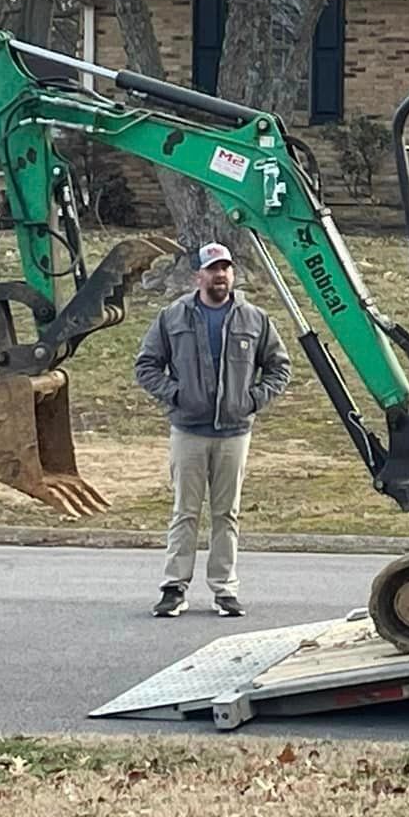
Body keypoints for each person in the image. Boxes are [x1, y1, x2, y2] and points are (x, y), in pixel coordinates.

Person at [133, 241, 290, 618]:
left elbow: (279, 368)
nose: (220, 275)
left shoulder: (254, 319)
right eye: (213, 268)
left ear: (232, 274)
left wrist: (250, 400)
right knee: (185, 512)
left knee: (227, 514)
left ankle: (224, 590)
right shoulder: (173, 316)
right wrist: (177, 396)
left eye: (226, 268)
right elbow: (146, 366)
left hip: (234, 433)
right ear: (197, 275)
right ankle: (174, 588)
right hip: (188, 430)